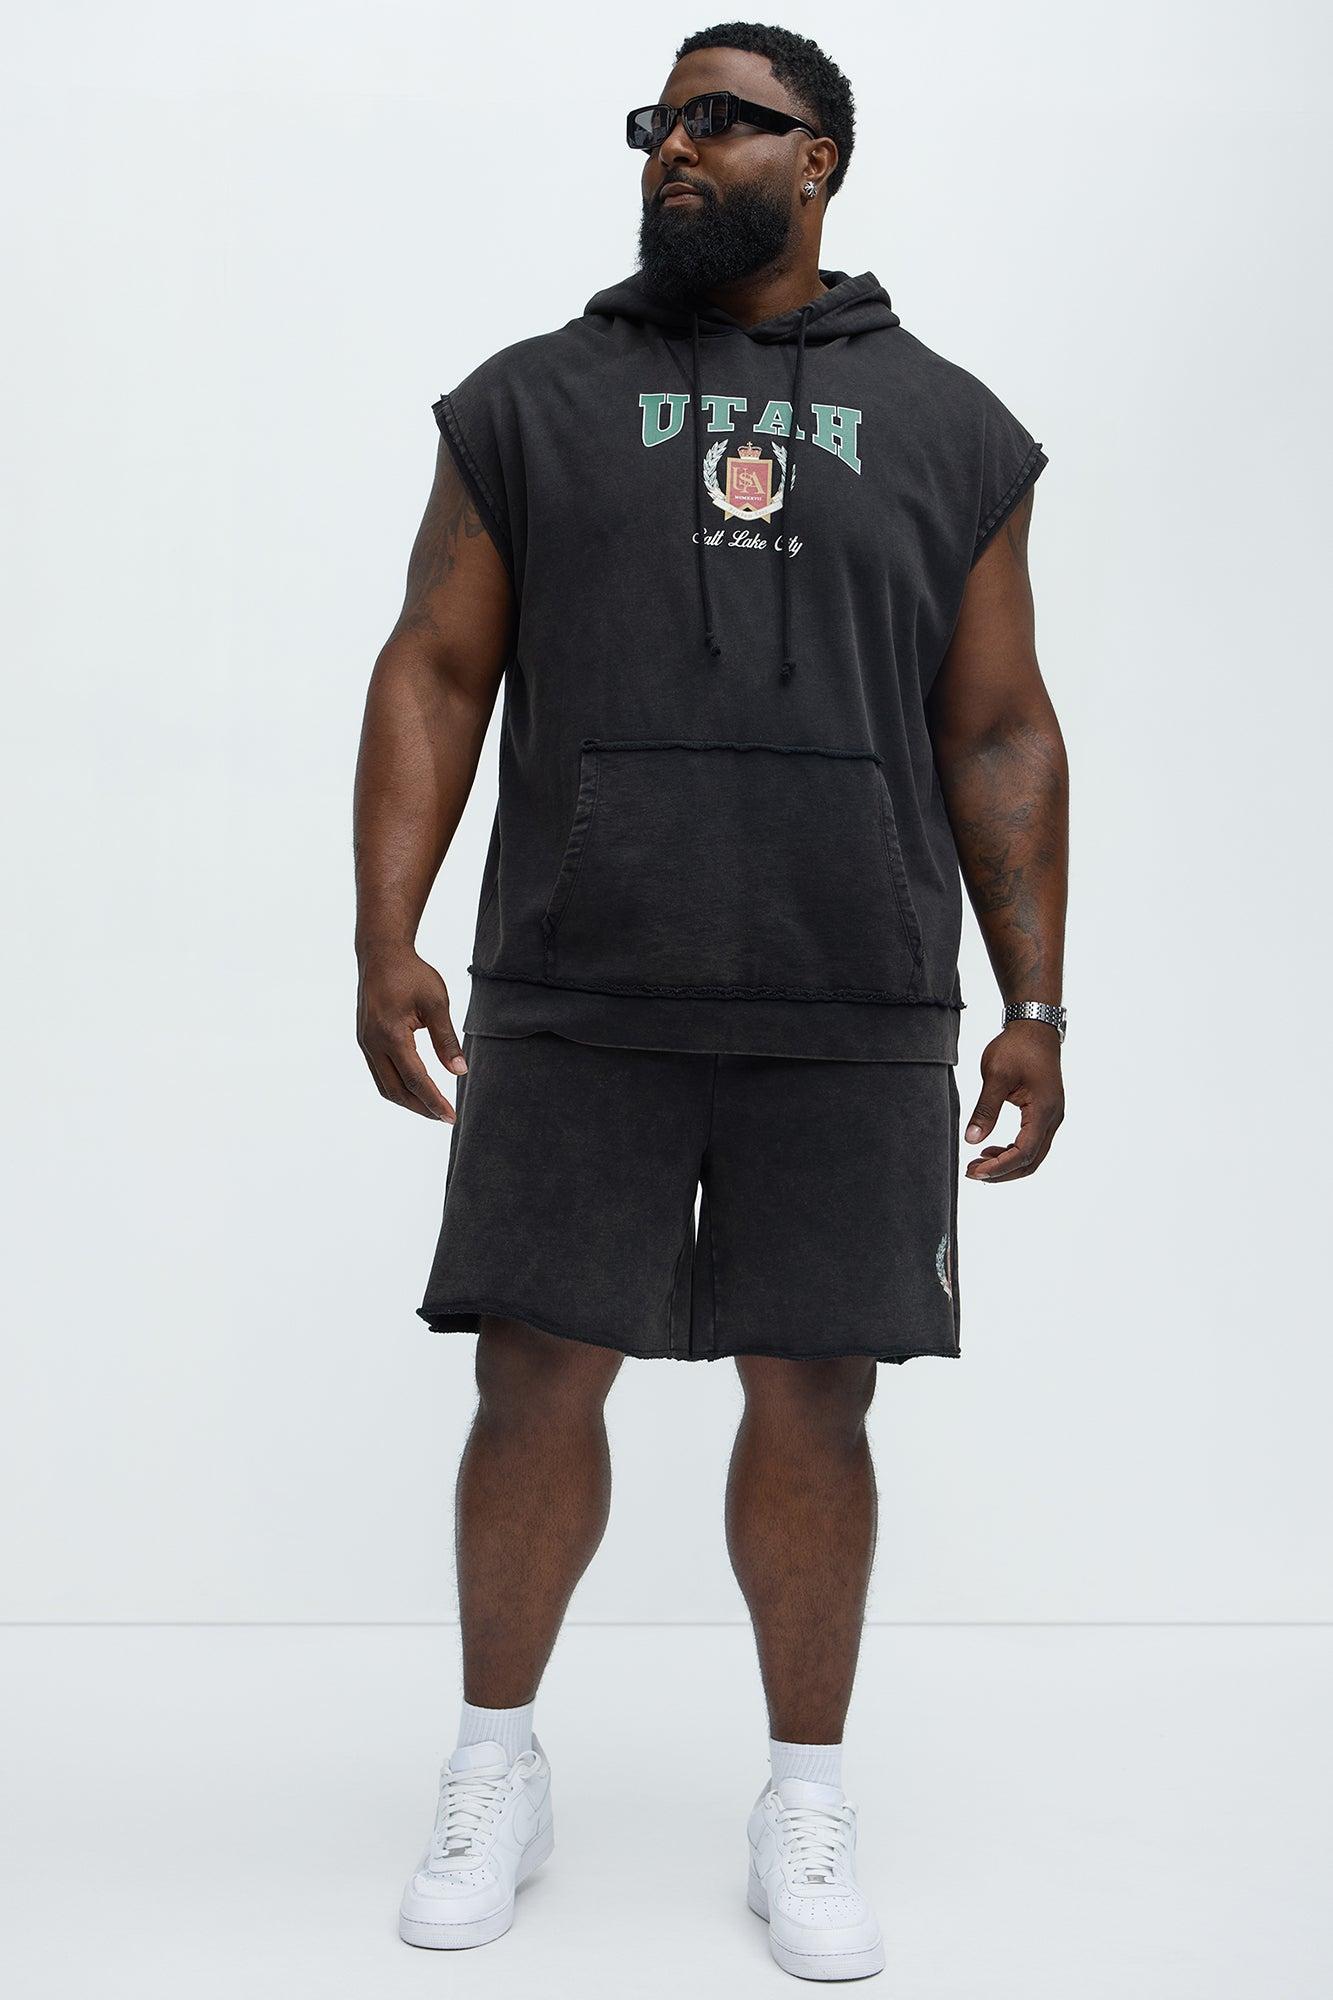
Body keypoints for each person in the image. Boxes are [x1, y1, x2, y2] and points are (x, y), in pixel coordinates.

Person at [353, 21, 1068, 1982]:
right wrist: (386, 932)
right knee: (533, 1373)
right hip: (579, 975)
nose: (673, 149)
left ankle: (802, 1795)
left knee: (815, 1390)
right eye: (656, 123)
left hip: (850, 990)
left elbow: (997, 724)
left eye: (720, 121)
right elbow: (433, 666)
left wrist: (1036, 1005)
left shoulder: (951, 429)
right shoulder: (529, 403)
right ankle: (494, 1762)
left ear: (817, 159)